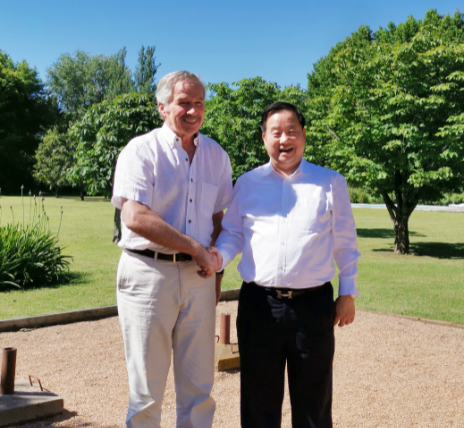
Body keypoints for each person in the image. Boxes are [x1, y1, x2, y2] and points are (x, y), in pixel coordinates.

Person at [213, 102, 361, 428]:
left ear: (304, 135)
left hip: (313, 307)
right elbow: (233, 233)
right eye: (276, 132)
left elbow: (346, 242)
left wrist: (347, 293)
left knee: (313, 405)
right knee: (258, 403)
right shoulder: (247, 183)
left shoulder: (330, 182)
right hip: (258, 305)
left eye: (291, 131)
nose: (284, 139)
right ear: (264, 138)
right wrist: (218, 258)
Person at [111, 71, 233, 428]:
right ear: (162, 107)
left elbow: (218, 219)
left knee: (199, 391)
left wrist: (216, 274)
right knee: (146, 394)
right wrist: (195, 248)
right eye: (184, 103)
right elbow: (134, 216)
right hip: (148, 274)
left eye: (199, 103)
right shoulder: (141, 150)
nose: (193, 110)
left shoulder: (216, 156)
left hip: (199, 278)